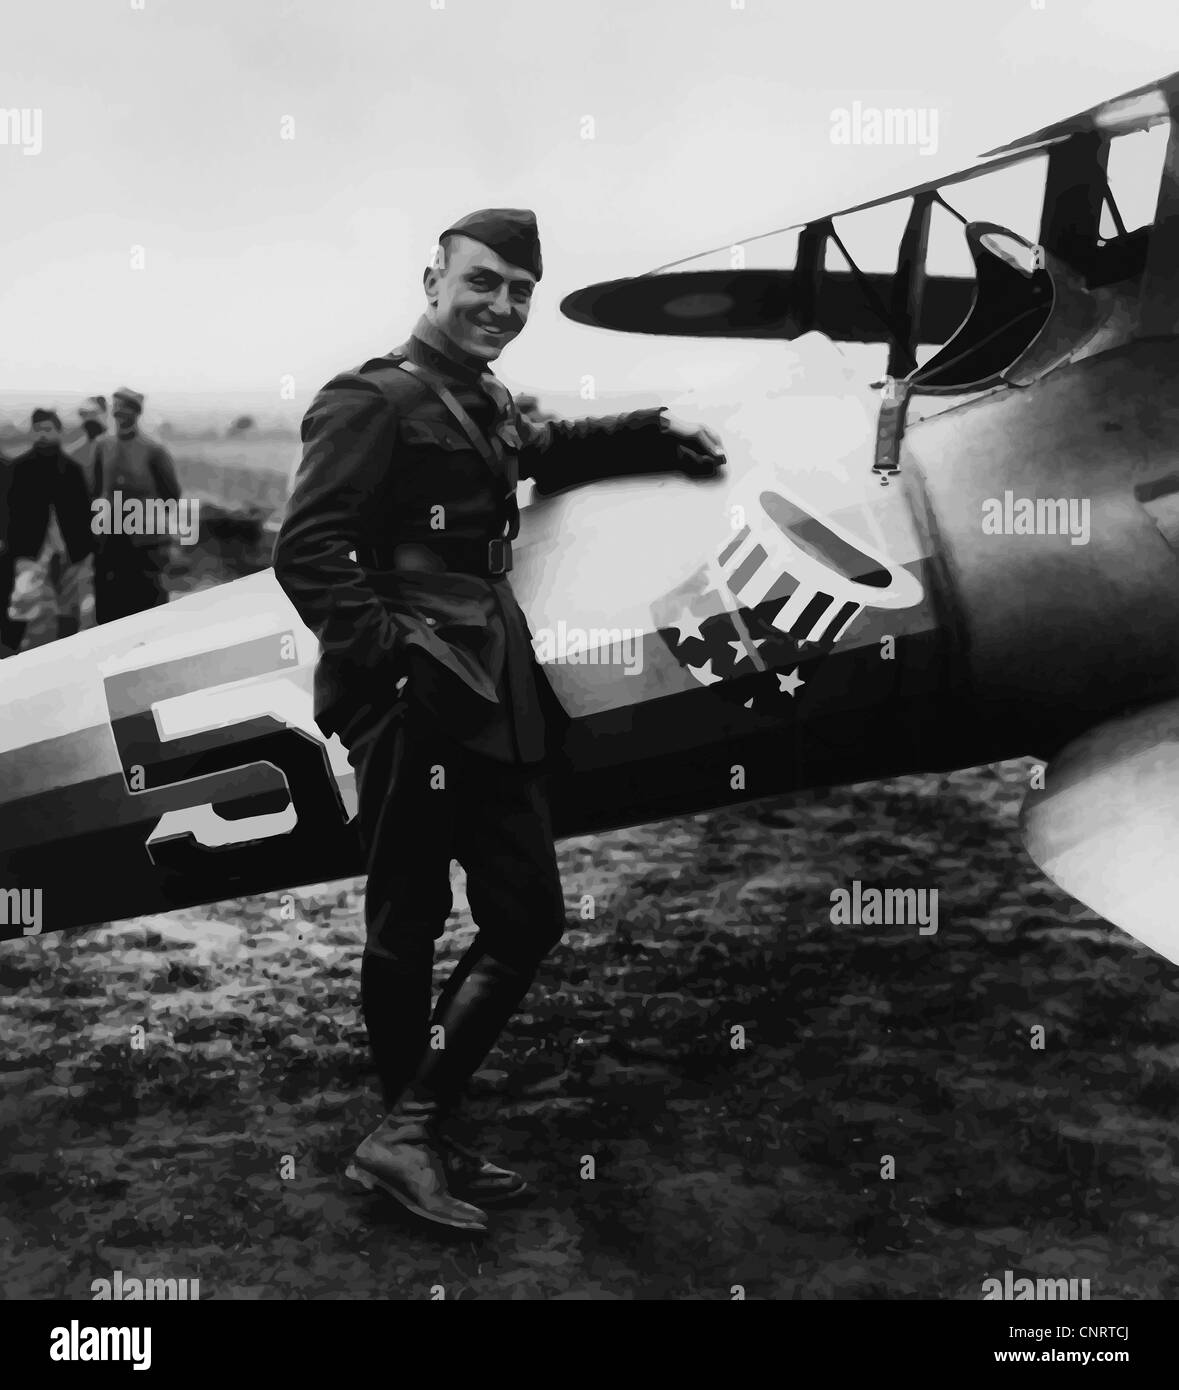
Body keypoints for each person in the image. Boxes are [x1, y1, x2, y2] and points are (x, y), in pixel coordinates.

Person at [273, 207, 726, 1234]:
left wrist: (655, 426)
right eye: (483, 282)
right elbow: (308, 551)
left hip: (491, 679)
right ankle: (409, 1136)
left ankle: (410, 1130)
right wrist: (394, 660)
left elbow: (548, 443)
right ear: (431, 278)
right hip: (412, 692)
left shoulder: (482, 398)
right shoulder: (370, 398)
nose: (503, 305)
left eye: (520, 291)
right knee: (408, 921)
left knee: (526, 915)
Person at [0, 409, 94, 653]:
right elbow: (7, 509)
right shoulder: (20, 468)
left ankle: (67, 652)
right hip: (29, 547)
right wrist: (9, 542)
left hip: (70, 546)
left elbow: (84, 510)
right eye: (38, 430)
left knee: (68, 606)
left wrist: (87, 544)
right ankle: (9, 653)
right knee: (22, 601)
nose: (43, 435)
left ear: (58, 432)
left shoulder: (72, 469)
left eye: (48, 429)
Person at [91, 387, 181, 623]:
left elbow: (171, 494)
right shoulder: (102, 446)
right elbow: (95, 490)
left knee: (148, 609)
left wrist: (149, 523)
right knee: (111, 608)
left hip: (146, 545)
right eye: (116, 407)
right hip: (111, 541)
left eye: (125, 408)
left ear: (136, 413)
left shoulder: (154, 450)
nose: (119, 412)